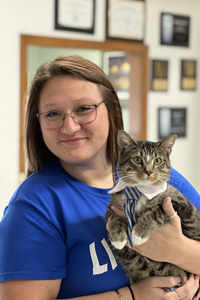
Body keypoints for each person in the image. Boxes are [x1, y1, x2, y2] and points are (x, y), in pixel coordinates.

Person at [0, 55, 199, 300]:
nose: (69, 127)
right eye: (52, 113)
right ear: (38, 122)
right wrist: (131, 297)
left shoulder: (159, 181)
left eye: (83, 109)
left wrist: (182, 251)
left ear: (112, 108)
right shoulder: (35, 205)